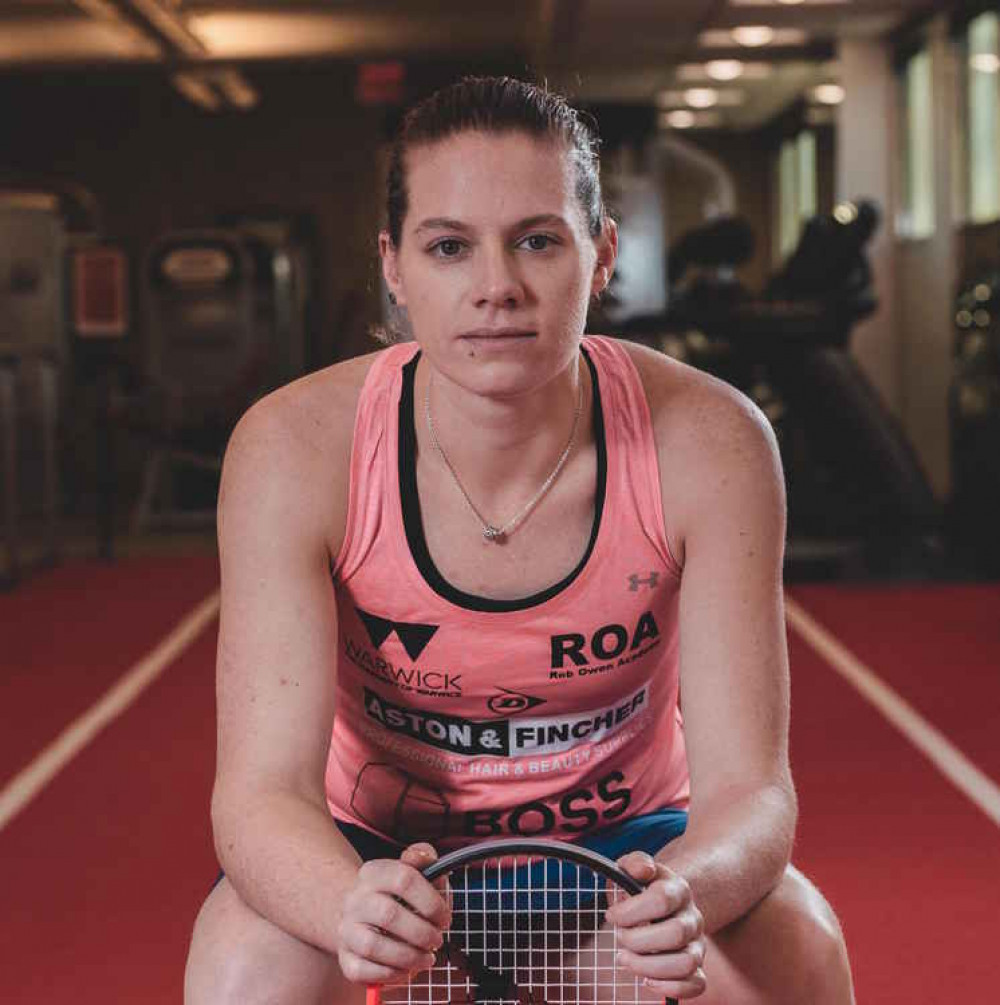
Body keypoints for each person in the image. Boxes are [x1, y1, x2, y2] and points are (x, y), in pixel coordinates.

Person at [184, 76, 856, 1004]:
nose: (495, 288)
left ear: (604, 253)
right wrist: (348, 901)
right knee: (242, 973)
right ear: (393, 264)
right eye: (449, 247)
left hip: (632, 849)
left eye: (537, 240)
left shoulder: (712, 442)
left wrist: (685, 896)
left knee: (802, 952)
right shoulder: (293, 449)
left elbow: (752, 792)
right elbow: (259, 794)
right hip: (379, 851)